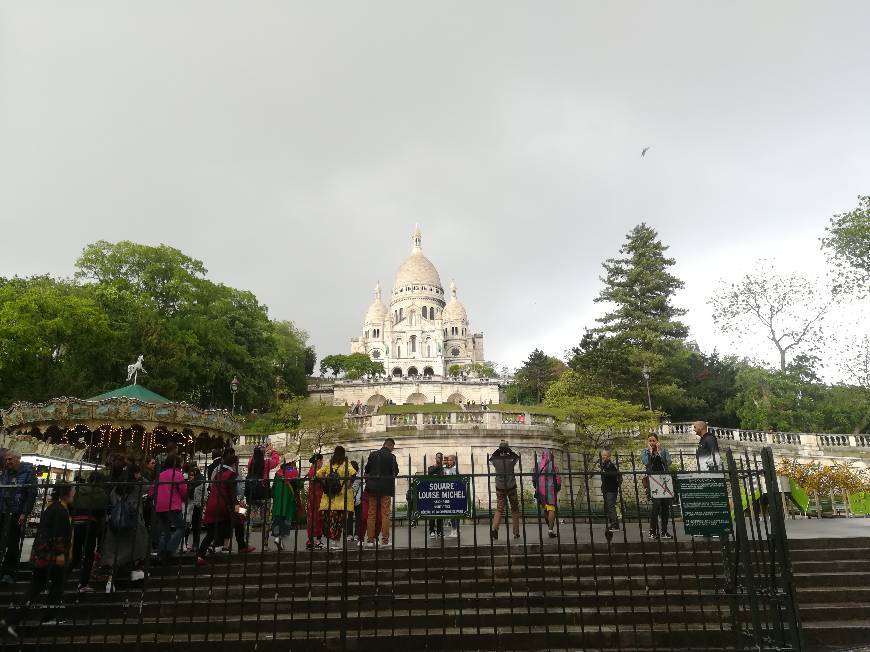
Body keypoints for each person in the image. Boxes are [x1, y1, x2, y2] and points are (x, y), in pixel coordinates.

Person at [18, 482, 75, 625]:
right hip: (52, 555)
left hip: (44, 553)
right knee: (57, 584)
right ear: (67, 493)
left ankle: (14, 617)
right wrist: (61, 553)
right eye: (73, 491)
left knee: (37, 585)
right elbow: (58, 533)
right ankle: (50, 616)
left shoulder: (52, 507)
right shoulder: (60, 510)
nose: (75, 494)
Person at [101, 463, 149, 590]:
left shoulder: (117, 487)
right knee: (134, 551)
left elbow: (112, 499)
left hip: (117, 522)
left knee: (118, 554)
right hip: (133, 523)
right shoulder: (137, 486)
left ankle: (111, 582)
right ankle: (134, 576)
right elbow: (150, 487)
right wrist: (140, 478)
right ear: (135, 473)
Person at [0, 451, 38, 584]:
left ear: (18, 459)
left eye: (10, 459)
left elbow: (32, 494)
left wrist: (24, 513)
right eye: (6, 459)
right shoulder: (6, 472)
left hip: (16, 512)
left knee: (12, 543)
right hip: (3, 511)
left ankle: (9, 572)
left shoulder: (28, 472)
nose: (7, 462)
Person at [71, 469, 108, 592]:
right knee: (88, 555)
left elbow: (73, 504)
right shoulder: (101, 493)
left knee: (76, 554)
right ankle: (83, 584)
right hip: (90, 524)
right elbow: (102, 511)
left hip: (76, 522)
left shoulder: (79, 489)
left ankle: (60, 577)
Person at [149, 453, 188, 562]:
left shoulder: (160, 475)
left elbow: (152, 491)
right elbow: (183, 490)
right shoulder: (177, 474)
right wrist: (184, 498)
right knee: (181, 527)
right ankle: (170, 549)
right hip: (172, 505)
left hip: (160, 506)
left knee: (165, 530)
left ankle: (161, 552)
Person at [316, 446, 357, 543]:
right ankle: (336, 541)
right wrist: (348, 484)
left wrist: (325, 484)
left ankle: (332, 540)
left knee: (331, 521)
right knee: (339, 521)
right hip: (342, 497)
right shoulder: (346, 464)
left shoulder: (329, 464)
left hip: (330, 498)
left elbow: (318, 474)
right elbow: (354, 474)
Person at [364, 438, 399, 547]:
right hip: (386, 489)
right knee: (385, 515)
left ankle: (370, 540)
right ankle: (384, 541)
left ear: (383, 444)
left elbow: (367, 470)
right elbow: (395, 472)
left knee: (371, 514)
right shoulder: (391, 457)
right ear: (391, 446)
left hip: (373, 488)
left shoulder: (373, 454)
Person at [641, 433, 673, 540]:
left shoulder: (664, 451)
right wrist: (650, 453)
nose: (652, 443)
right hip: (653, 480)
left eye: (653, 440)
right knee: (656, 505)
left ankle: (664, 531)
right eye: (650, 441)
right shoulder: (645, 452)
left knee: (665, 506)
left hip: (664, 479)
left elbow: (668, 463)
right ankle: (652, 531)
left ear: (657, 441)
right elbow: (646, 463)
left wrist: (659, 452)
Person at [490, 442, 520, 541]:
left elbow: (492, 457)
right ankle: (516, 532)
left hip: (500, 487)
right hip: (511, 487)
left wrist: (498, 451)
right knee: (514, 509)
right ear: (507, 450)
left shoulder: (496, 460)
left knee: (499, 509)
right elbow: (516, 457)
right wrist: (509, 451)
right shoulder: (511, 460)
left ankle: (494, 528)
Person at [270, 458, 301, 550]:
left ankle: (277, 537)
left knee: (277, 518)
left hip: (278, 501)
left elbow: (273, 488)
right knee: (286, 519)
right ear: (291, 462)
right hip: (287, 500)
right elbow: (300, 484)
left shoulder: (278, 472)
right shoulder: (292, 471)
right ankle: (280, 538)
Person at [532, 449, 560, 538]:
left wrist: (536, 487)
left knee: (545, 508)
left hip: (540, 490)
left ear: (543, 455)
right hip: (550, 490)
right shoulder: (554, 466)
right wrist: (558, 488)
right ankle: (550, 529)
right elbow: (558, 480)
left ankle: (549, 525)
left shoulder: (537, 465)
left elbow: (533, 478)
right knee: (551, 509)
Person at [305, 453, 325, 550]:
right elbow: (322, 483)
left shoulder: (311, 469)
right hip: (317, 496)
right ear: (318, 461)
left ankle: (310, 540)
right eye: (321, 461)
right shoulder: (317, 470)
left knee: (311, 518)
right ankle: (317, 540)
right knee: (318, 518)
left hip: (312, 497)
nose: (322, 463)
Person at [599, 450, 622, 532]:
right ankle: (612, 523)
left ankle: (615, 525)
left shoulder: (610, 465)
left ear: (608, 456)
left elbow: (614, 476)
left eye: (604, 455)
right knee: (608, 507)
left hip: (611, 489)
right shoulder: (604, 465)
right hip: (606, 489)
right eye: (602, 455)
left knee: (610, 506)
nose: (603, 457)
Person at [427, 452, 445, 539]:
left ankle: (440, 531)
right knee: (432, 514)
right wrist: (437, 466)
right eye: (438, 457)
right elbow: (429, 472)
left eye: (441, 457)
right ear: (435, 458)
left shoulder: (444, 468)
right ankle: (431, 531)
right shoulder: (431, 467)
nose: (439, 459)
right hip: (432, 493)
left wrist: (442, 466)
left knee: (440, 513)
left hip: (441, 493)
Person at [346, 461, 362, 543]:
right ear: (357, 470)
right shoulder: (359, 479)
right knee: (358, 518)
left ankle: (349, 535)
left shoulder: (347, 479)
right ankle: (357, 535)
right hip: (358, 501)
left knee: (349, 518)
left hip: (349, 501)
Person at [443, 455, 459, 538]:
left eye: (450, 460)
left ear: (453, 461)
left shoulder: (455, 469)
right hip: (447, 492)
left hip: (453, 493)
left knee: (454, 512)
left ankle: (454, 530)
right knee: (450, 512)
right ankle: (453, 529)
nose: (448, 462)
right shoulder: (445, 468)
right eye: (447, 460)